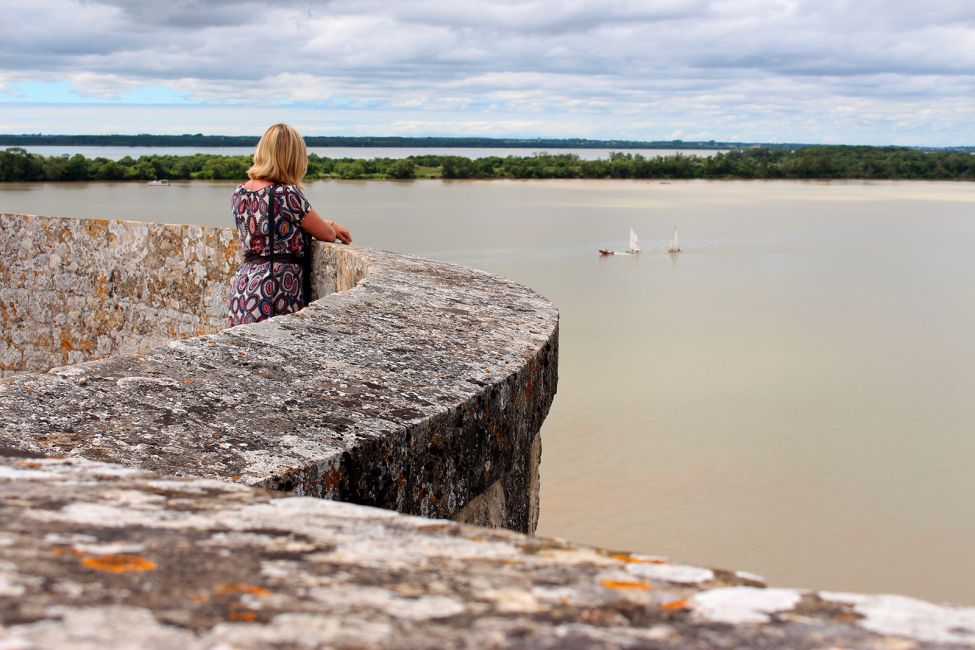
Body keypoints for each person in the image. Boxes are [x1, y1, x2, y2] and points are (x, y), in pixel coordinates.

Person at [226, 123, 352, 327]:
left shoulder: (240, 192)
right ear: (293, 159)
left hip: (245, 286)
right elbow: (327, 235)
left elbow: (274, 225)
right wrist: (332, 225)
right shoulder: (286, 195)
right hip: (275, 289)